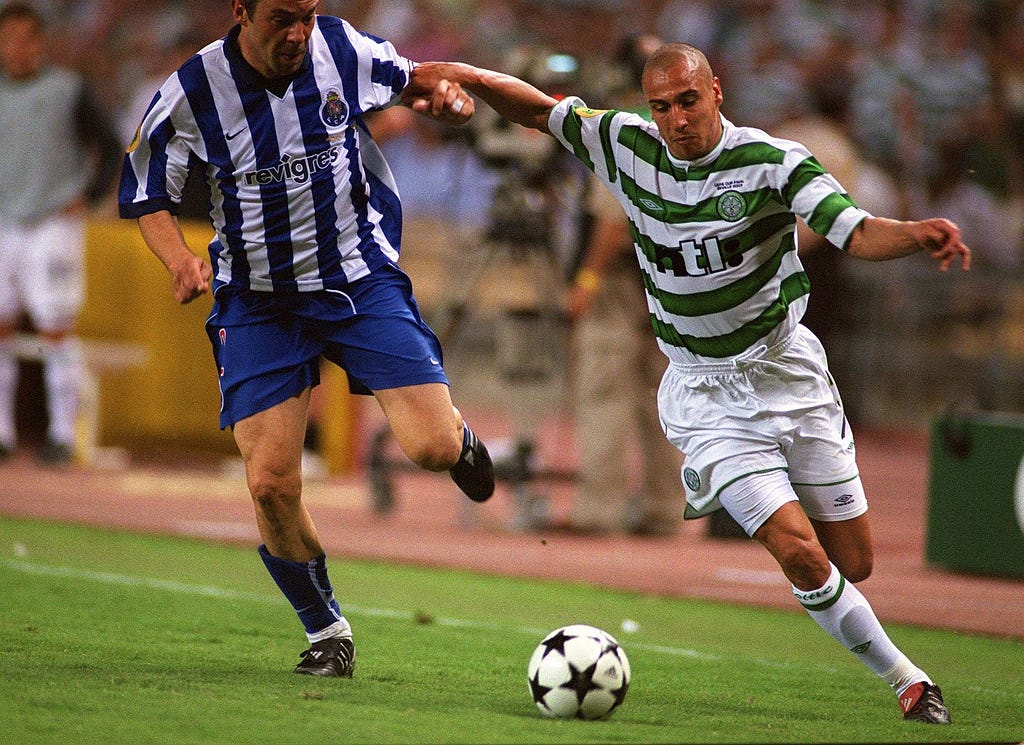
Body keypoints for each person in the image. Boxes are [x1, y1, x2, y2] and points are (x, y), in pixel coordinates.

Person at [402, 42, 969, 724]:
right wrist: (466, 75)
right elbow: (540, 110)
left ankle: (852, 600)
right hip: (705, 393)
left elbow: (855, 230)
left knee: (856, 559)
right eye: (662, 106)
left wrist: (916, 234)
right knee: (799, 549)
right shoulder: (626, 145)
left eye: (688, 101)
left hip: (790, 376)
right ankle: (909, 680)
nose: (675, 119)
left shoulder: (773, 163)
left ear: (717, 92)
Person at [118, 0, 494, 679]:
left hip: (358, 281)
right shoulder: (193, 90)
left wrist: (442, 96)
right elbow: (147, 190)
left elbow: (410, 78)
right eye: (283, 17)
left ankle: (460, 437)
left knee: (432, 447)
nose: (298, 32)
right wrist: (179, 259)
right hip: (257, 301)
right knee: (269, 482)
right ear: (242, 11)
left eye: (309, 15)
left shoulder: (340, 49)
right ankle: (327, 630)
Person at [563, 34, 683, 536]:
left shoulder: (625, 128)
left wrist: (586, 279)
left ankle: (600, 510)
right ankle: (665, 508)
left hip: (617, 282)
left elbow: (612, 220)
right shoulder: (685, 126)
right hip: (671, 280)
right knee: (662, 395)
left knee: (604, 392)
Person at [0, 2, 122, 465]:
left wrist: (88, 196)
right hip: (5, 219)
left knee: (56, 329)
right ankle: (3, 433)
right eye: (7, 39)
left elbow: (110, 147)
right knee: (2, 328)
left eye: (24, 38)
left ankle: (61, 433)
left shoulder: (67, 91)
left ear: (40, 43)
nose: (15, 48)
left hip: (53, 219)